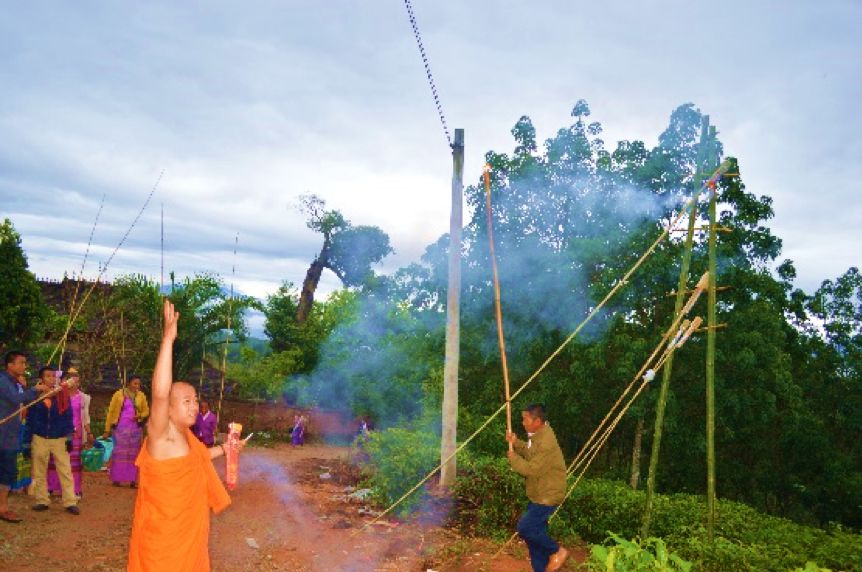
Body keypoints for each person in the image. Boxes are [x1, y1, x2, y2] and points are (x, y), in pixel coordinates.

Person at [128, 300, 244, 571]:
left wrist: (226, 448)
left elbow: (198, 460)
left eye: (195, 400)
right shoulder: (160, 435)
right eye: (186, 401)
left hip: (189, 533)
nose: (194, 406)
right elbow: (159, 393)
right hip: (163, 539)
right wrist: (168, 340)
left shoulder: (186, 437)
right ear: (168, 409)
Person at [506, 403, 569, 572]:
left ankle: (557, 551)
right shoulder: (539, 435)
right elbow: (530, 453)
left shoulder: (546, 442)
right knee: (534, 538)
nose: (523, 422)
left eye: (526, 419)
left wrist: (513, 458)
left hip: (547, 495)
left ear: (537, 420)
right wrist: (516, 443)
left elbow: (532, 469)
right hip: (538, 493)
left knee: (525, 528)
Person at [0, 351, 46, 523]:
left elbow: (25, 401)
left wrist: (35, 391)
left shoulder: (16, 382)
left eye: (25, 363)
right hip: (2, 434)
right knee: (4, 471)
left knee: (7, 473)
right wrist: (34, 389)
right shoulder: (3, 381)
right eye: (21, 363)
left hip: (10, 435)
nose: (24, 366)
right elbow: (15, 399)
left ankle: (3, 508)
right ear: (10, 365)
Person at [28, 366, 79, 515]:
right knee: (39, 471)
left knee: (65, 470)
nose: (51, 379)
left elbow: (68, 417)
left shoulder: (62, 395)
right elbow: (30, 419)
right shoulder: (35, 398)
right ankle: (42, 500)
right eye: (48, 376)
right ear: (41, 379)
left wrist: (69, 437)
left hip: (59, 438)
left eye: (53, 376)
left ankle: (70, 502)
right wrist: (27, 441)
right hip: (40, 438)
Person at [47, 368, 91, 497]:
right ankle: (52, 486)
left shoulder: (83, 398)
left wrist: (89, 433)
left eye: (76, 380)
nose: (73, 382)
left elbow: (85, 417)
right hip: (58, 432)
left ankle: (74, 489)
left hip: (75, 434)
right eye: (70, 379)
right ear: (65, 381)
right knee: (55, 460)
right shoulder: (57, 394)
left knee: (74, 463)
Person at [103, 374, 149, 487]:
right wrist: (107, 429)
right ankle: (116, 478)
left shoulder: (141, 396)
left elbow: (146, 411)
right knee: (119, 453)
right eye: (135, 383)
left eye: (138, 384)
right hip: (120, 429)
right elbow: (111, 412)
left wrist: (139, 416)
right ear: (129, 383)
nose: (137, 386)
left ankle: (133, 480)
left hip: (135, 430)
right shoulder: (118, 394)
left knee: (133, 455)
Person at [11, 374, 32, 494]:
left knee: (25, 456)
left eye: (24, 379)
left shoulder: (29, 396)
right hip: (14, 430)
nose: (22, 381)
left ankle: (25, 484)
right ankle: (13, 485)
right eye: (19, 379)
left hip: (24, 429)